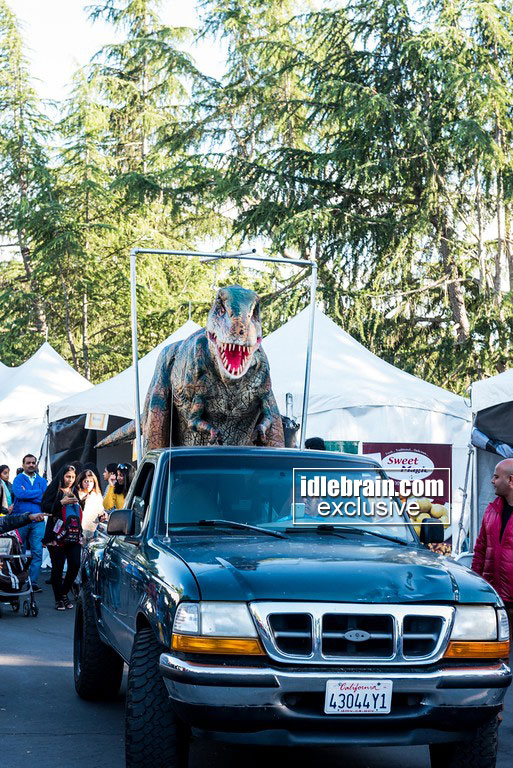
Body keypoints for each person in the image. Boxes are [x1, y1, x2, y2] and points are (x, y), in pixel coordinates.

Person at [472, 458, 513, 658]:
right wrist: (475, 586)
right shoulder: (491, 510)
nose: (492, 481)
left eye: (496, 477)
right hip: (495, 600)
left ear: (511, 480)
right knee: (496, 658)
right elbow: (480, 550)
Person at [42, 464, 81, 611]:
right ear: (62, 476)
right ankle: (58, 598)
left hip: (73, 534)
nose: (70, 480)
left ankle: (64, 592)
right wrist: (61, 503)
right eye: (67, 476)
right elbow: (45, 507)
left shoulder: (74, 490)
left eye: (73, 477)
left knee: (75, 564)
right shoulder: (54, 489)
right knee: (57, 567)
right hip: (56, 535)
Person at [12, 454, 48, 593]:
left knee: (37, 552)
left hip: (38, 521)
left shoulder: (42, 480)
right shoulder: (18, 479)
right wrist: (38, 493)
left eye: (33, 463)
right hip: (21, 520)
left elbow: (45, 498)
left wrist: (28, 493)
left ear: (36, 464)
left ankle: (33, 582)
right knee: (18, 552)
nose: (31, 465)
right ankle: (18, 581)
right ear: (23, 465)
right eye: (28, 463)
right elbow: (19, 494)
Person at [76, 468, 105, 542]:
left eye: (91, 481)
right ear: (81, 482)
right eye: (86, 481)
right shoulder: (76, 494)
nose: (88, 484)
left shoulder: (97, 496)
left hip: (93, 532)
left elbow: (101, 512)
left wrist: (103, 515)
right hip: (78, 531)